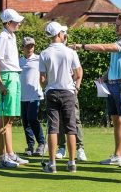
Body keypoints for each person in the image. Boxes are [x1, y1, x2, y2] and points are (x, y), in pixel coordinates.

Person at [71, 13, 121, 168]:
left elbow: (105, 48)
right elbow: (117, 64)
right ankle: (118, 155)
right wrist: (105, 76)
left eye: (119, 25)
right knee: (116, 120)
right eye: (115, 24)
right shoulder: (119, 40)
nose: (116, 27)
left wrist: (83, 46)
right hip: (112, 84)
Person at [39, 21, 82, 173]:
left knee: (53, 128)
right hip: (68, 92)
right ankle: (71, 163)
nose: (64, 35)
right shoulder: (70, 52)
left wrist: (45, 89)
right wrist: (76, 87)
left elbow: (42, 79)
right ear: (59, 34)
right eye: (63, 33)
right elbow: (78, 73)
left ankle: (52, 164)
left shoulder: (44, 54)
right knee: (71, 128)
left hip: (52, 92)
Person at [0, 8, 29, 168]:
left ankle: (11, 154)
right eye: (16, 21)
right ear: (7, 22)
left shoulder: (11, 36)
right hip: (7, 78)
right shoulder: (3, 37)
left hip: (14, 76)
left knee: (10, 119)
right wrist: (0, 82)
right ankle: (2, 157)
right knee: (4, 118)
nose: (19, 23)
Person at [19, 37, 47, 156]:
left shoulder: (39, 59)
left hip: (35, 94)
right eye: (27, 46)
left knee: (32, 118)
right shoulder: (18, 61)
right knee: (25, 121)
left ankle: (41, 143)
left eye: (32, 46)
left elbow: (45, 74)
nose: (30, 48)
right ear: (22, 48)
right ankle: (30, 145)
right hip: (22, 95)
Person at [56, 84, 87, 161]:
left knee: (75, 120)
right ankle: (61, 148)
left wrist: (77, 87)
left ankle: (80, 148)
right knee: (60, 120)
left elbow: (79, 73)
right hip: (57, 91)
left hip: (70, 91)